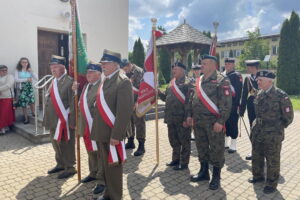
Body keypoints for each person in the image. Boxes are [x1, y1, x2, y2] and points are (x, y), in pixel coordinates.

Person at [91, 49, 133, 200]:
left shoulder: (123, 82)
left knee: (114, 167)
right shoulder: (106, 80)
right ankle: (108, 193)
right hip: (102, 132)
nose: (103, 65)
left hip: (112, 133)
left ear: (116, 64)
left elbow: (124, 112)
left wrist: (116, 135)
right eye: (102, 63)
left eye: (106, 63)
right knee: (106, 166)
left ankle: (115, 196)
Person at [189, 55, 232, 190]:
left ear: (214, 65)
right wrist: (190, 115)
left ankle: (216, 177)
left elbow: (226, 104)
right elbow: (193, 99)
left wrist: (221, 121)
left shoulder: (221, 80)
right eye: (201, 63)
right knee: (201, 147)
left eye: (205, 63)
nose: (202, 66)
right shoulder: (199, 80)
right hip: (199, 122)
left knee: (216, 150)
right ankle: (204, 172)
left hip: (214, 123)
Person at [248, 70, 293, 194]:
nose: (258, 81)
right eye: (258, 79)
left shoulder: (280, 95)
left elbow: (288, 117)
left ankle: (271, 183)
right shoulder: (260, 94)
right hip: (258, 131)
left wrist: (277, 128)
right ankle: (258, 176)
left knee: (272, 158)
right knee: (257, 155)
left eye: (260, 79)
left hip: (273, 134)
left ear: (270, 81)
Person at [73, 62, 106, 195]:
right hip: (86, 126)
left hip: (96, 126)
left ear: (99, 74)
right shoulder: (87, 86)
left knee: (100, 154)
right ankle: (93, 172)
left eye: (91, 72)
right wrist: (75, 91)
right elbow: (82, 104)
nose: (88, 75)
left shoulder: (102, 86)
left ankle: (102, 180)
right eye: (87, 72)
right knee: (90, 151)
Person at [43, 55, 76, 179]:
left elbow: (73, 103)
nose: (53, 69)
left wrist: (72, 121)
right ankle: (60, 163)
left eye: (56, 67)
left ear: (63, 67)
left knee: (66, 144)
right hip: (53, 120)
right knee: (55, 143)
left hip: (64, 121)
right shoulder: (54, 80)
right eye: (52, 67)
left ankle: (70, 167)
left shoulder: (69, 81)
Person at [158, 61, 192, 170]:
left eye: (176, 69)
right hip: (171, 118)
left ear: (182, 70)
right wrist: (158, 92)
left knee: (184, 141)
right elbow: (165, 98)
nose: (174, 71)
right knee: (173, 140)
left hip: (182, 119)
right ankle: (175, 159)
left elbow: (190, 102)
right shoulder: (171, 82)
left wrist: (187, 118)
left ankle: (184, 162)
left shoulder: (188, 83)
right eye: (173, 69)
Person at [120, 59, 146, 156]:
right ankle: (131, 141)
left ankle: (141, 145)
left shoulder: (138, 71)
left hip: (138, 103)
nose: (124, 70)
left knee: (139, 123)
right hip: (128, 102)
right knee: (129, 122)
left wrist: (137, 101)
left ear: (129, 65)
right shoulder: (125, 73)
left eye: (125, 68)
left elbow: (143, 88)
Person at [239, 60, 259, 160]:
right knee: (252, 127)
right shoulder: (248, 79)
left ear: (254, 67)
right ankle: (254, 150)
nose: (247, 69)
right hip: (251, 106)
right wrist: (242, 109)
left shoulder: (262, 77)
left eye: (249, 67)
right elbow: (244, 94)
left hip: (262, 107)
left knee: (261, 129)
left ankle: (262, 152)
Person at [223, 58, 243, 153]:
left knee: (233, 123)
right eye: (226, 64)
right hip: (224, 105)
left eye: (229, 64)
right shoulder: (223, 75)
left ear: (233, 65)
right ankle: (226, 143)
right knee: (225, 123)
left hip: (233, 104)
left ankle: (233, 144)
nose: (227, 65)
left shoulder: (236, 75)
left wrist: (235, 104)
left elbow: (238, 91)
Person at [14, 57, 38, 124]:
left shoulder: (29, 69)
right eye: (23, 62)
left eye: (26, 62)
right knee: (23, 104)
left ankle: (33, 113)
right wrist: (26, 79)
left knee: (32, 101)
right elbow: (16, 79)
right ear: (20, 63)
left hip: (29, 88)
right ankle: (26, 118)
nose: (25, 63)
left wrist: (32, 72)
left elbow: (37, 78)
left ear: (28, 63)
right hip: (22, 89)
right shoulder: (18, 70)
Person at [0, 65, 15, 135]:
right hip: (0, 97)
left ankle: (3, 129)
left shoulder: (10, 77)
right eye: (3, 70)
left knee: (4, 114)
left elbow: (8, 85)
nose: (5, 72)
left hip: (7, 97)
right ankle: (5, 128)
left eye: (6, 70)